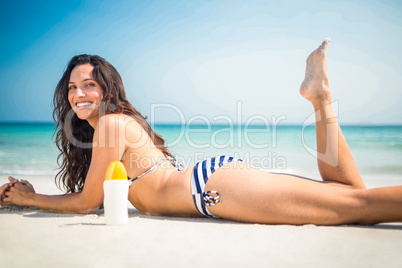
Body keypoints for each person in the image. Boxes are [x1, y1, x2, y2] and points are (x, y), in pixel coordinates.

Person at [1, 39, 401, 225]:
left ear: (106, 89)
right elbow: (101, 201)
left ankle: (321, 98)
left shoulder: (109, 124)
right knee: (353, 196)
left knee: (358, 208)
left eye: (89, 84)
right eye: (72, 87)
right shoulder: (110, 129)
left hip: (211, 188)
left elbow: (89, 203)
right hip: (209, 184)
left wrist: (31, 198)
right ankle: (320, 99)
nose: (79, 93)